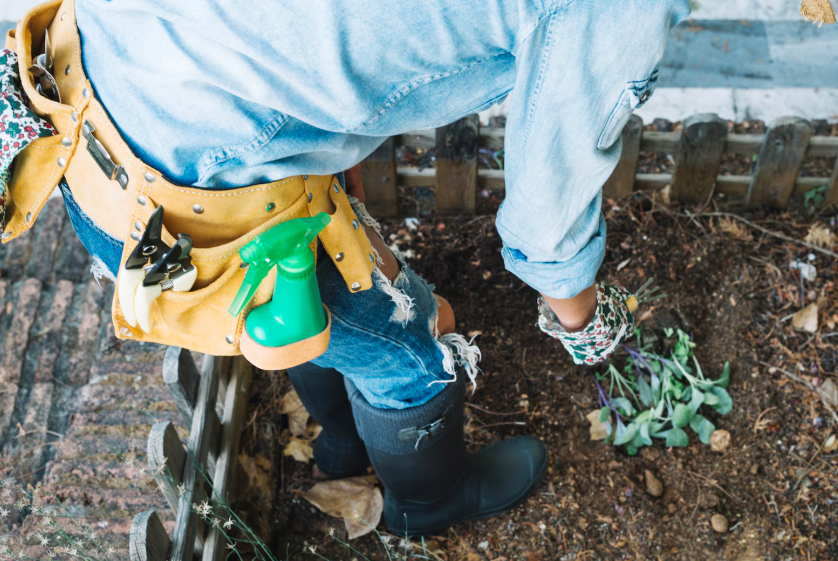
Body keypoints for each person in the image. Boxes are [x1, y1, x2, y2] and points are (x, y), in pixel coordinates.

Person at [12, 0, 691, 536]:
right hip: (200, 207)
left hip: (92, 96)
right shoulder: (613, 7)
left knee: (318, 318)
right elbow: (548, 221)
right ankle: (429, 504)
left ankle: (341, 444)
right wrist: (583, 323)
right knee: (417, 348)